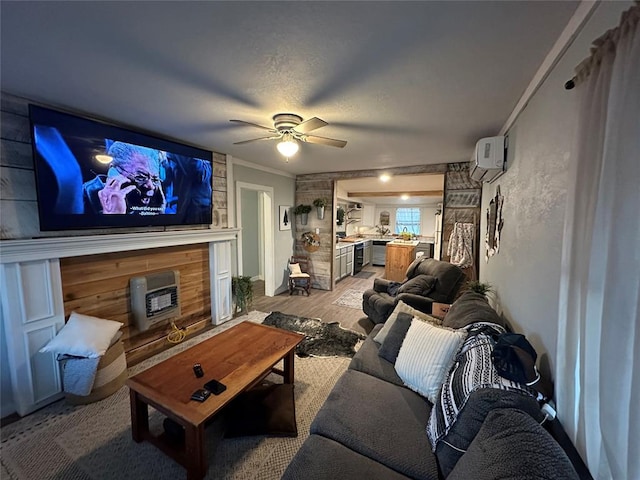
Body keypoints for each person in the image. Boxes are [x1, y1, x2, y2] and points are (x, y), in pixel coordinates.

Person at [83, 141, 166, 215]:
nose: (151, 186)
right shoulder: (81, 198)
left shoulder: (141, 204)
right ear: (114, 172)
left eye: (155, 179)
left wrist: (158, 214)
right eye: (141, 177)